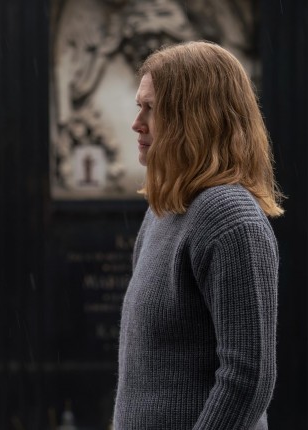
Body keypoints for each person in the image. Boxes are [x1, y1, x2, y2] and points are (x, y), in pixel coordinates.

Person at [113, 41, 284, 429]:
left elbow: (248, 376)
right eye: (140, 106)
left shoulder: (229, 217)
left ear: (192, 117)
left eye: (151, 109)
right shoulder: (164, 210)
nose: (137, 123)